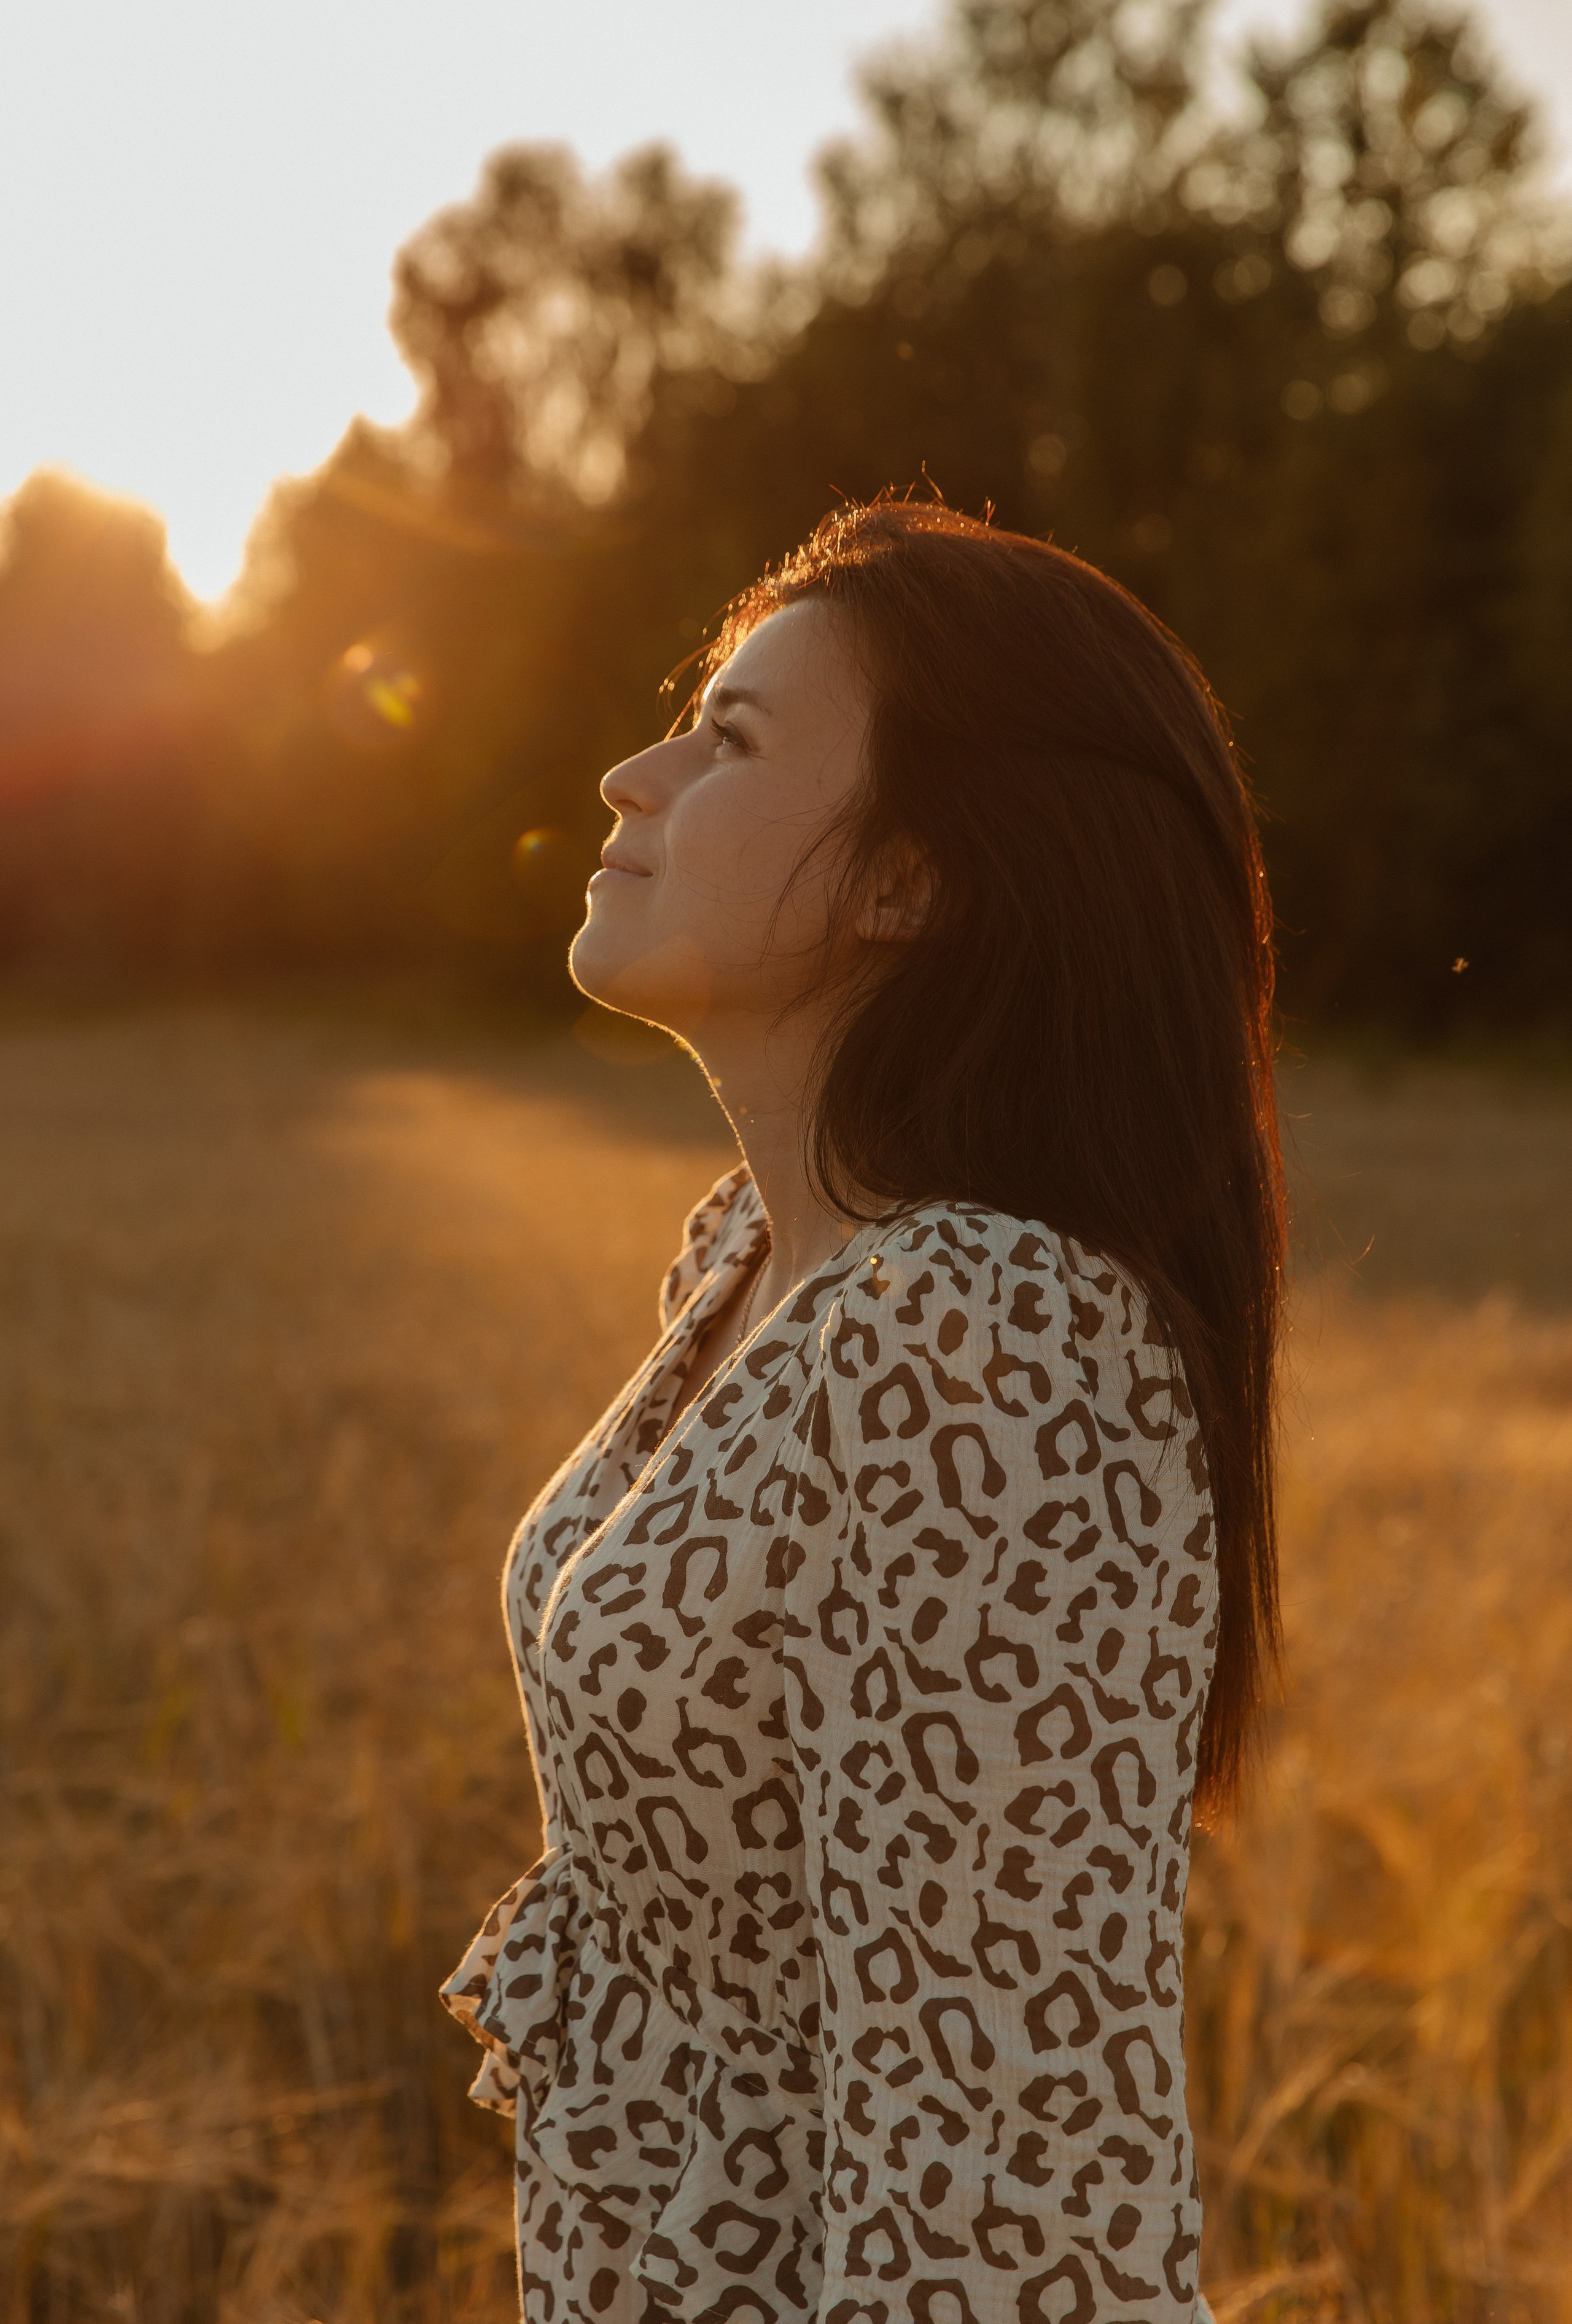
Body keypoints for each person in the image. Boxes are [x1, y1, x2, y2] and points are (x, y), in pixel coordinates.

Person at [442, 499, 1283, 2324]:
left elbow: (999, 2172)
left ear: (910, 878)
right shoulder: (757, 1262)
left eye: (729, 739)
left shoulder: (1003, 1341)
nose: (627, 774)